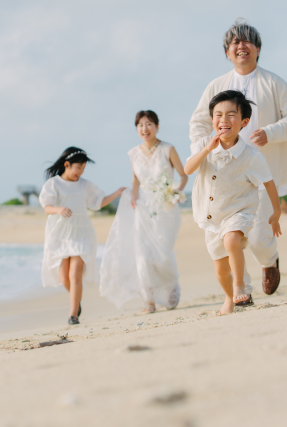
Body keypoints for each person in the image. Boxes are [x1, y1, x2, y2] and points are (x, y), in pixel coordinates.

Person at [189, 19, 287, 305]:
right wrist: (204, 149)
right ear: (228, 52)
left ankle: (270, 260)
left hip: (262, 168)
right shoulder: (216, 85)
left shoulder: (274, 82)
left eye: (247, 41)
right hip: (226, 175)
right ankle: (244, 291)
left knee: (258, 236)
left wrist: (270, 132)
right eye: (234, 43)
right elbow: (199, 122)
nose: (241, 46)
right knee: (230, 237)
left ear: (258, 49)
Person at [184, 90, 282, 315]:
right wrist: (207, 149)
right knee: (220, 271)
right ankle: (230, 297)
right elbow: (188, 169)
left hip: (239, 212)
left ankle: (241, 286)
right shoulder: (203, 145)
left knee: (231, 240)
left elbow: (268, 182)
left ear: (244, 122)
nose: (224, 120)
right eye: (218, 115)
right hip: (211, 217)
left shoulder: (251, 156)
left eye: (231, 115)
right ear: (212, 120)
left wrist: (275, 213)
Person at [100, 111, 189, 313]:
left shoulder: (168, 149)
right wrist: (133, 195)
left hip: (166, 206)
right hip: (143, 206)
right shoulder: (133, 153)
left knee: (163, 254)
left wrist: (175, 192)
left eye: (149, 124)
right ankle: (148, 300)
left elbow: (183, 176)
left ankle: (171, 286)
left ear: (157, 126)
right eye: (140, 125)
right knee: (142, 253)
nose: (144, 129)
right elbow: (136, 179)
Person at [39, 147, 125, 325]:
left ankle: (73, 315)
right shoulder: (54, 184)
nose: (81, 172)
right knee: (64, 278)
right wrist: (59, 209)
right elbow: (47, 207)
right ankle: (76, 302)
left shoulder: (85, 185)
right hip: (60, 234)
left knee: (75, 274)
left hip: (81, 232)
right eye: (78, 167)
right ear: (67, 165)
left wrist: (116, 193)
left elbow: (98, 203)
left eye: (84, 168)